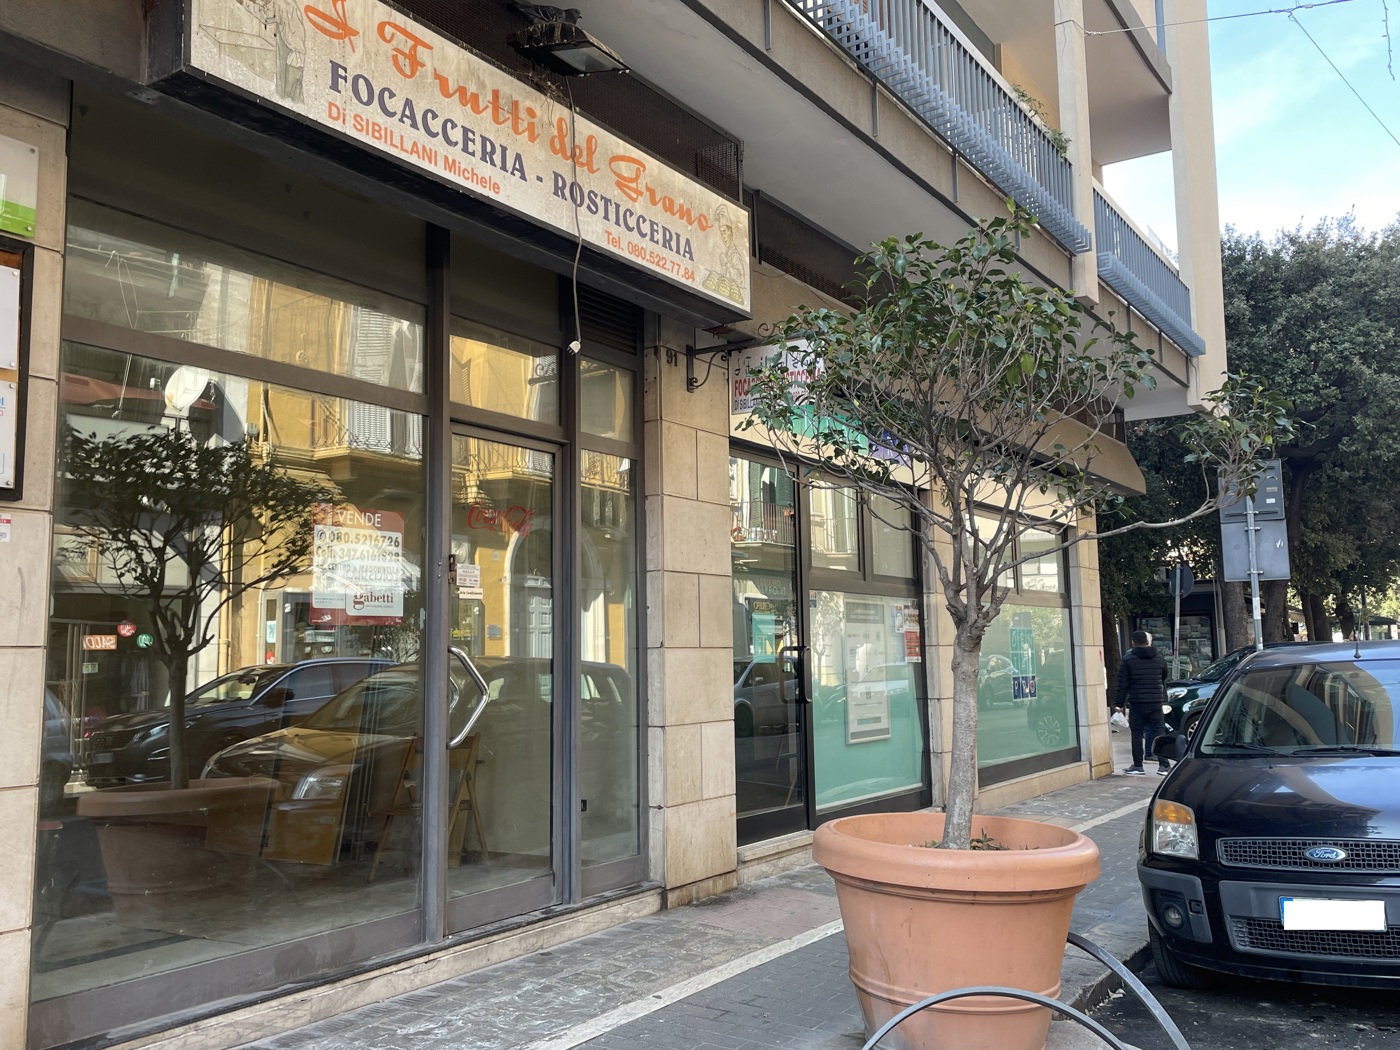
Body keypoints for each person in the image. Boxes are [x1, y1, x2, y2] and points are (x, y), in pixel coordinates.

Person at [1114, 629, 1170, 775]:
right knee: (1159, 733)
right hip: (1156, 701)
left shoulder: (1128, 659)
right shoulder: (1159, 657)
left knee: (1137, 734)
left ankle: (1138, 766)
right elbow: (1164, 675)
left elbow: (1122, 683)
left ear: (1133, 643)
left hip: (1137, 702)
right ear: (1147, 641)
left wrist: (1119, 704)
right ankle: (1164, 765)